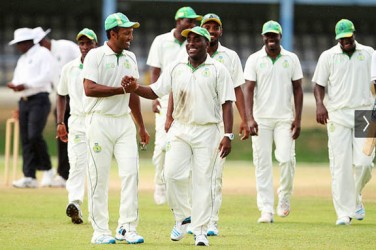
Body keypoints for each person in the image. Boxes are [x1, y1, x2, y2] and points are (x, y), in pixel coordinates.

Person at [123, 26, 236, 247]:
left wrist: (228, 134)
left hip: (208, 131)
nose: (191, 43)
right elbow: (155, 91)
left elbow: (227, 104)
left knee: (203, 181)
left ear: (206, 43)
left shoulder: (218, 69)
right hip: (181, 128)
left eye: (196, 40)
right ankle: (183, 218)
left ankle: (201, 231)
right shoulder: (176, 67)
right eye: (189, 40)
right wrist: (135, 87)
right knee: (171, 175)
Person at [82, 12, 149, 244]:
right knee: (99, 176)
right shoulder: (95, 55)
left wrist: (141, 126)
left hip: (123, 122)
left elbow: (133, 95)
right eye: (126, 32)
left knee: (131, 174)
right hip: (99, 120)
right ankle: (100, 230)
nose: (130, 36)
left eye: (131, 31)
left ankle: (126, 227)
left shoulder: (130, 57)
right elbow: (89, 89)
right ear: (113, 33)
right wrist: (120, 90)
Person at [313, 19, 374, 225]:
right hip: (337, 114)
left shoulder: (369, 53)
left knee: (364, 163)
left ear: (353, 34)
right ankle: (343, 213)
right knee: (340, 166)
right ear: (337, 38)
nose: (345, 41)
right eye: (341, 39)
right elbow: (319, 84)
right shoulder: (328, 56)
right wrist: (320, 105)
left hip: (365, 113)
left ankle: (355, 197)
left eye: (348, 37)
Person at [243, 20, 303, 223]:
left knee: (286, 159)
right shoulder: (254, 59)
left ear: (280, 36)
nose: (271, 39)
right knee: (262, 165)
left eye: (274, 35)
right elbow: (248, 89)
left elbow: (298, 89)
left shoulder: (291, 58)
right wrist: (249, 118)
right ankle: (266, 209)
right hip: (261, 120)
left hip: (285, 118)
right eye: (267, 35)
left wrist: (298, 118)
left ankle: (284, 197)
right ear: (263, 37)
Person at [198, 13, 250, 236]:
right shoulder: (190, 52)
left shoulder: (230, 57)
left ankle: (212, 222)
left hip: (220, 122)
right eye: (207, 27)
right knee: (194, 174)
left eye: (215, 27)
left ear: (221, 31)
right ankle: (194, 219)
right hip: (195, 121)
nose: (211, 30)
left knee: (215, 174)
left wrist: (246, 120)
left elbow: (238, 89)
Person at [146, 6, 201, 205]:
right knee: (161, 146)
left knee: (185, 145)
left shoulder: (194, 42)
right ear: (179, 21)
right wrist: (154, 98)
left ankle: (181, 189)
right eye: (190, 21)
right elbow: (155, 70)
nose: (193, 25)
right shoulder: (161, 41)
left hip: (187, 100)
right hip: (163, 98)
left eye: (195, 22)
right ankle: (159, 184)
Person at [56, 28, 98, 224]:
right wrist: (60, 122)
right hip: (77, 121)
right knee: (76, 165)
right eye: (82, 43)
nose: (85, 47)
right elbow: (61, 94)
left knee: (96, 166)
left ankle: (96, 210)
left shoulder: (100, 66)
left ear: (95, 45)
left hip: (98, 120)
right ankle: (75, 203)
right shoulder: (69, 68)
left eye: (88, 43)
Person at [7, 28, 57, 188]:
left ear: (27, 42)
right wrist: (15, 85)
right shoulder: (22, 59)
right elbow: (17, 78)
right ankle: (30, 176)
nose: (18, 47)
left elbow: (47, 76)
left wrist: (27, 85)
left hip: (40, 99)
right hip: (24, 100)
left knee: (34, 135)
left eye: (20, 43)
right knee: (26, 138)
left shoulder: (43, 53)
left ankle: (48, 169)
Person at [33, 27, 81, 187]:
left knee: (80, 136)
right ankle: (63, 174)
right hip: (62, 97)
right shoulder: (43, 57)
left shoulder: (65, 47)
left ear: (41, 42)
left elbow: (86, 63)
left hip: (79, 96)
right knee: (63, 135)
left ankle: (72, 174)